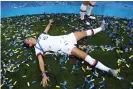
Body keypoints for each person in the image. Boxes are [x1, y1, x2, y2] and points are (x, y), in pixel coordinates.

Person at [24, 19, 118, 88]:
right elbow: (40, 61)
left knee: (83, 33)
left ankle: (101, 28)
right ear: (30, 45)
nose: (30, 38)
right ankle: (109, 70)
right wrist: (43, 74)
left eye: (28, 37)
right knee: (84, 56)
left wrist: (49, 23)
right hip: (65, 47)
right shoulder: (37, 48)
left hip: (67, 37)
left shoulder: (41, 36)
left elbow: (46, 30)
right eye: (28, 40)